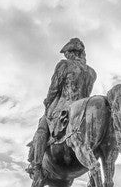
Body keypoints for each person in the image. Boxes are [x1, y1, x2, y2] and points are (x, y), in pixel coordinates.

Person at [28, 38, 98, 176]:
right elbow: (87, 93)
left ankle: (36, 165)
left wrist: (47, 101)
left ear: (71, 53)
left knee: (42, 127)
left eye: (67, 53)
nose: (66, 56)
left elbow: (54, 88)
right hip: (82, 110)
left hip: (64, 107)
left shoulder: (64, 65)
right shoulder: (92, 72)